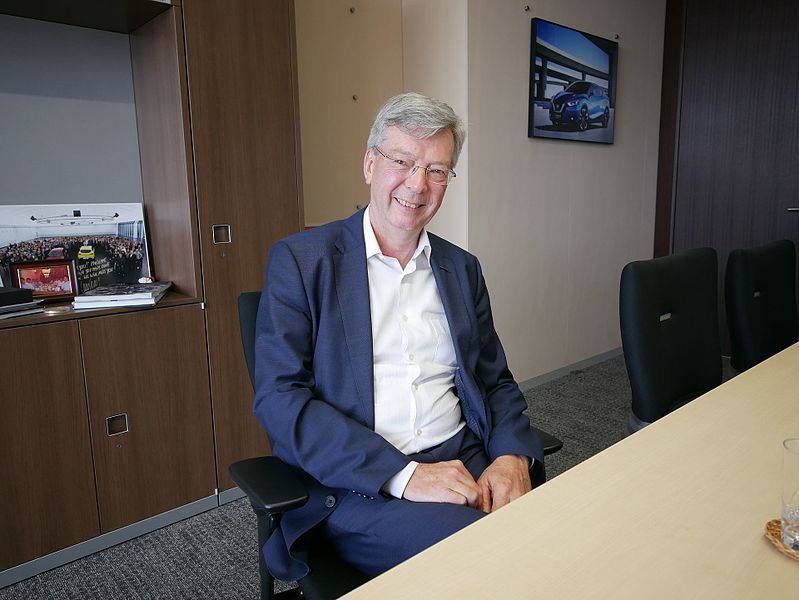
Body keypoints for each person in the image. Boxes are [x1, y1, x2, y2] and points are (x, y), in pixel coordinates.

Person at [254, 92, 543, 581]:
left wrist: (512, 454)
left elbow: (494, 380)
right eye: (403, 161)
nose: (417, 184)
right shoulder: (302, 262)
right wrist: (405, 476)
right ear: (370, 164)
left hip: (461, 452)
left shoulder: (461, 268)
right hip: (360, 479)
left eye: (437, 170)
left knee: (547, 533)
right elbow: (281, 401)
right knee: (486, 562)